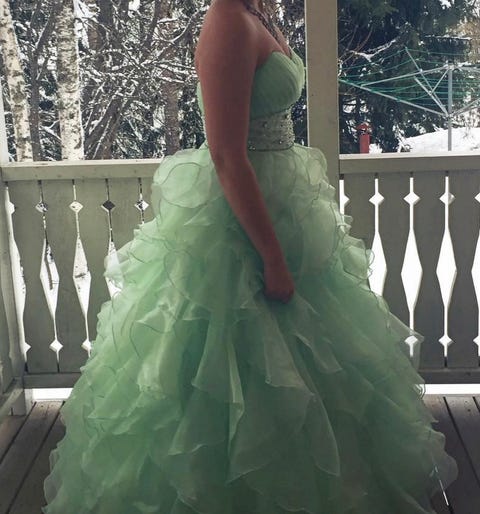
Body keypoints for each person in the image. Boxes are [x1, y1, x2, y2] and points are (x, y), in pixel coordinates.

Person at [42, 0, 458, 513]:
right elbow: (225, 153)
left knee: (308, 359)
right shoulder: (227, 19)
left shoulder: (259, 12)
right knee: (226, 354)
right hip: (239, 223)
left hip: (287, 202)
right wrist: (272, 256)